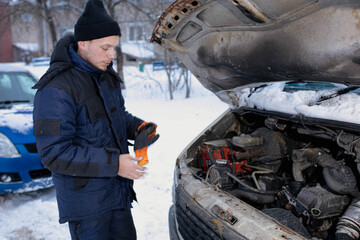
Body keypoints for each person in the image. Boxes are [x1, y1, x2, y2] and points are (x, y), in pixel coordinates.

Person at [32, 0, 159, 239]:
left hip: (117, 195)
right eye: (105, 47)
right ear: (83, 44)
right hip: (87, 208)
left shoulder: (104, 77)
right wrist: (115, 164)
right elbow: (54, 154)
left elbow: (116, 116)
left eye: (115, 47)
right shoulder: (56, 89)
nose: (113, 55)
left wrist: (138, 127)